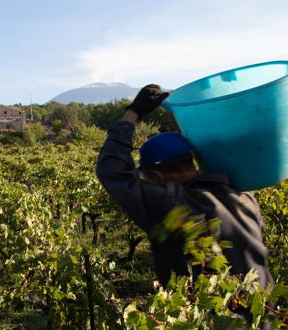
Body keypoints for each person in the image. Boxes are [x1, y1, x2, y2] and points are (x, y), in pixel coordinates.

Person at [96, 84, 273, 289]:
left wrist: (132, 113)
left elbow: (112, 172)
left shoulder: (170, 203)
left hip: (211, 319)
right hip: (265, 310)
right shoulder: (242, 192)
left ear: (156, 175)